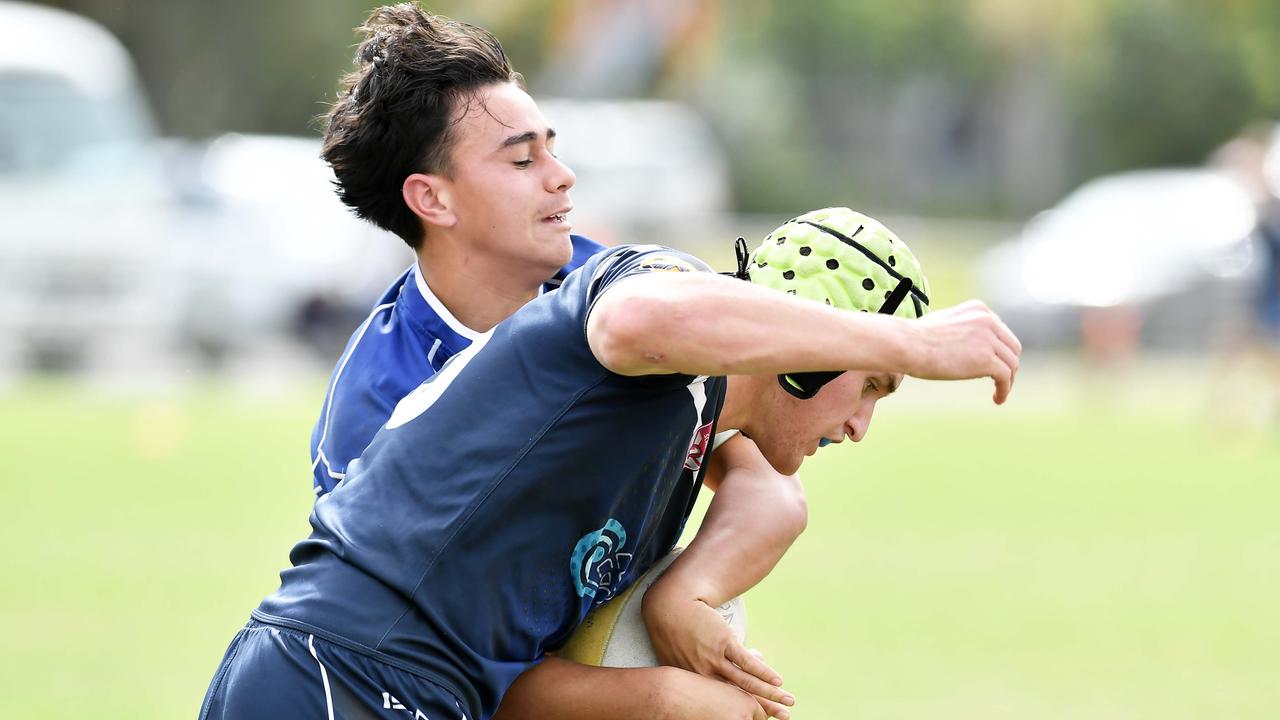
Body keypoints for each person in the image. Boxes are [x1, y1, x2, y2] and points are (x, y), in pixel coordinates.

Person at [200, 202, 1022, 720]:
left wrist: (685, 596)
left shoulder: (696, 427)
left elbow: (774, 499)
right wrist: (911, 340)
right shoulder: (660, 293)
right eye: (870, 388)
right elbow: (634, 324)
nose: (860, 427)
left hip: (398, 688)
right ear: (805, 350)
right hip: (338, 676)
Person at [303, 5, 807, 718]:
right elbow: (434, 664)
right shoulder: (379, 413)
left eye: (553, 148)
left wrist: (684, 592)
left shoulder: (615, 298)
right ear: (432, 199)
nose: (563, 177)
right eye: (523, 158)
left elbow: (769, 487)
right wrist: (660, 697)